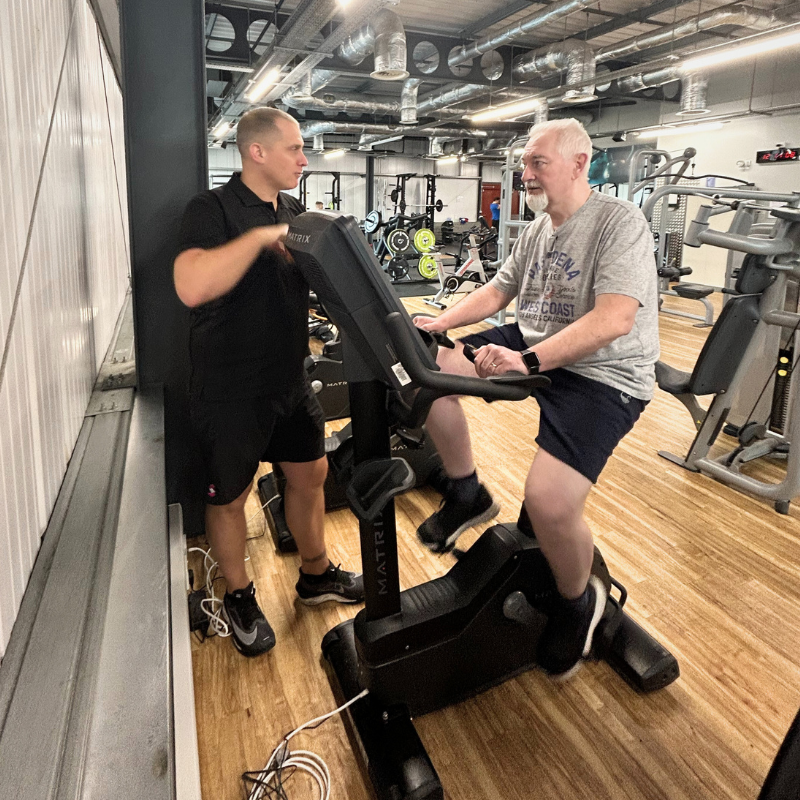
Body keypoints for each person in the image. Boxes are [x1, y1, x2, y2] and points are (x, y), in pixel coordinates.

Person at [414, 118, 658, 679]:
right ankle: (466, 490)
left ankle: (578, 604)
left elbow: (615, 319)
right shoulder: (537, 228)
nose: (524, 174)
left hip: (604, 376)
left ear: (578, 164)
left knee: (549, 502)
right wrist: (440, 324)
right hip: (534, 344)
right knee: (427, 366)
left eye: (536, 163)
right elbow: (501, 290)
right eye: (524, 163)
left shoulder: (619, 224)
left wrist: (526, 362)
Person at [174, 107, 364, 658]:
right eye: (295, 149)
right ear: (257, 152)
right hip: (228, 387)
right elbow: (191, 285)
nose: (305, 159)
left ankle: (316, 574)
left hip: (289, 378)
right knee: (229, 497)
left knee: (310, 475)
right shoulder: (209, 209)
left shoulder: (295, 210)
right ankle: (238, 595)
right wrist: (262, 239)